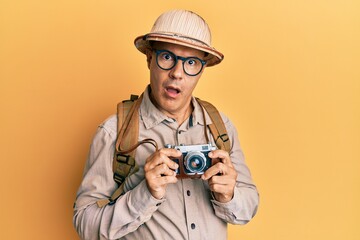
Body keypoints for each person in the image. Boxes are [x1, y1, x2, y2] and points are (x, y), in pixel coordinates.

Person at [73, 9, 259, 240]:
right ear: (150, 58)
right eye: (167, 57)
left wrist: (228, 196)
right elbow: (85, 225)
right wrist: (146, 192)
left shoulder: (221, 128)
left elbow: (249, 205)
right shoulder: (113, 133)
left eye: (191, 62)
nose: (177, 73)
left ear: (202, 70)